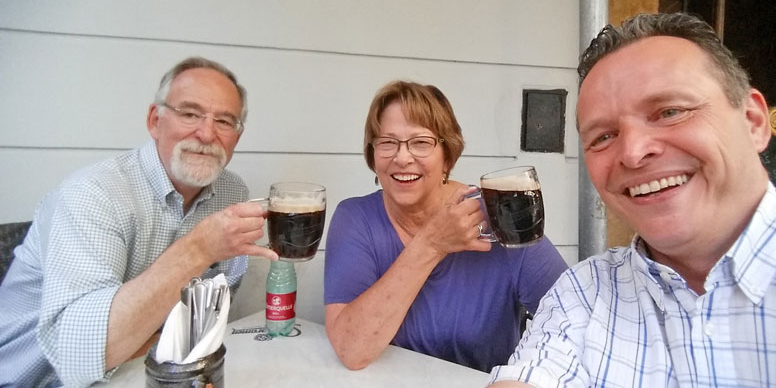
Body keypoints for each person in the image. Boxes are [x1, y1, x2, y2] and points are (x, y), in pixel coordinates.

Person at [489, 12, 776, 387]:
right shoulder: (586, 293)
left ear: (753, 121)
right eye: (603, 136)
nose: (633, 152)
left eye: (670, 112)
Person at [0, 57, 277, 387]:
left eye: (224, 121)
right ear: (155, 120)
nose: (206, 133)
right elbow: (78, 353)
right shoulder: (93, 193)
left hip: (150, 368)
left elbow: (207, 316)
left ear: (237, 136)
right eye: (190, 114)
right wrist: (200, 248)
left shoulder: (232, 191)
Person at [324, 80, 568, 372]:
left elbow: (574, 322)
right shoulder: (356, 217)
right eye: (387, 142)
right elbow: (352, 350)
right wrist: (431, 244)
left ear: (447, 156)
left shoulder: (498, 215)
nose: (402, 158)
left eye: (421, 142)